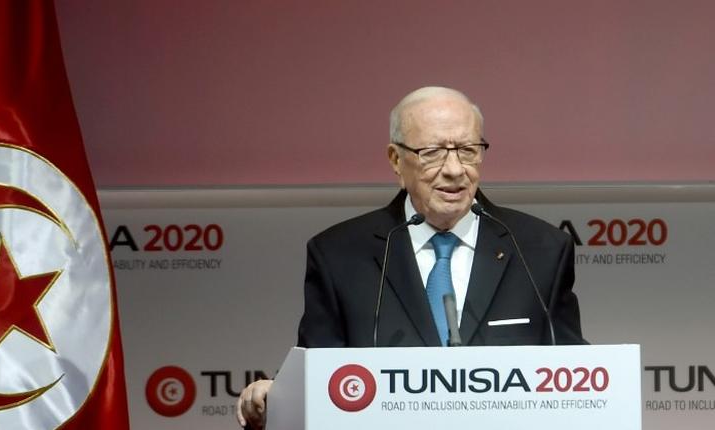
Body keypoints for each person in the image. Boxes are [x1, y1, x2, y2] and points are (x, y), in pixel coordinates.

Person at [236, 86, 585, 429]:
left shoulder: (540, 249)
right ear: (395, 160)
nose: (454, 169)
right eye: (432, 152)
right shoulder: (339, 254)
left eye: (468, 150)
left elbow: (575, 374)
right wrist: (276, 396)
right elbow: (316, 369)